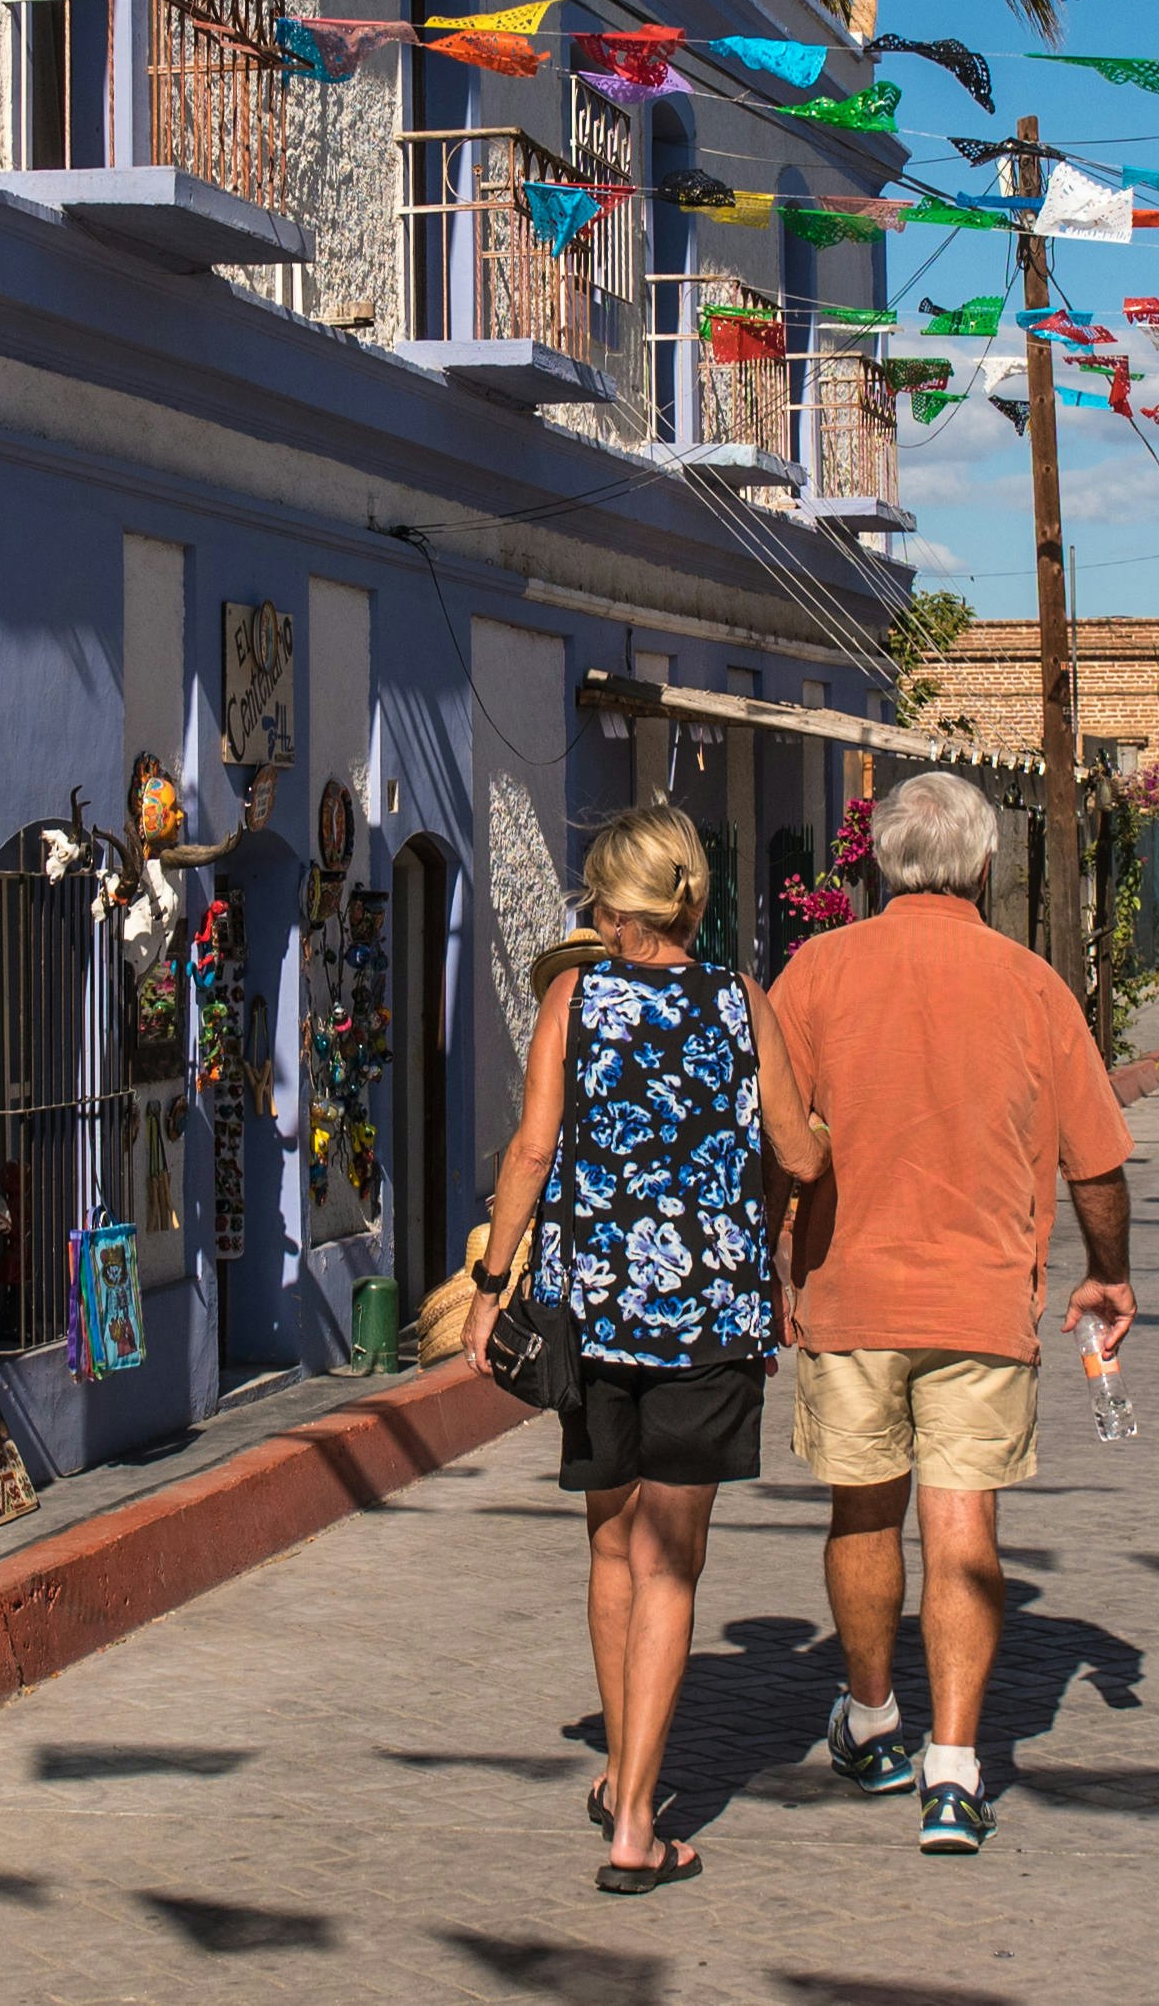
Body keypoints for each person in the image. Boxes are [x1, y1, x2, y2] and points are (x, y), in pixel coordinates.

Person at [769, 769, 1135, 1855]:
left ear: (875, 859)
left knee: (861, 1513)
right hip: (981, 1298)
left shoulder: (815, 973)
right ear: (984, 864)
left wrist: (768, 1261)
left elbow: (776, 1145)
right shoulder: (1029, 983)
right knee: (962, 1521)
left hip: (847, 1291)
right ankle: (954, 1771)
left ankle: (874, 1718)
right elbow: (1097, 1162)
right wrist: (1107, 1272)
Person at [464, 803, 826, 1896]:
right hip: (706, 1318)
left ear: (609, 903)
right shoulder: (737, 1001)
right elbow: (796, 1152)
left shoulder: (573, 999)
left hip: (595, 1313)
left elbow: (532, 1148)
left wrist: (489, 1288)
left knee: (610, 1543)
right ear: (691, 895)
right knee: (670, 1562)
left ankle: (624, 1771)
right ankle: (635, 1818)